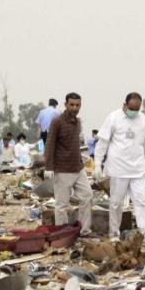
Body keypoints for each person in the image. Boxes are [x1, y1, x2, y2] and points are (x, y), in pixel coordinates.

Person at [95, 92, 145, 243]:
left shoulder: (143, 119)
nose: (134, 112)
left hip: (138, 169)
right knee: (116, 203)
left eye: (137, 109)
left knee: (141, 202)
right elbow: (102, 143)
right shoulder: (113, 118)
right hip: (118, 169)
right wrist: (97, 164)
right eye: (131, 108)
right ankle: (114, 234)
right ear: (124, 105)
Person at [45, 92, 93, 232]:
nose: (74, 108)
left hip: (78, 168)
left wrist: (81, 157)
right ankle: (62, 233)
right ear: (65, 104)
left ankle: (84, 230)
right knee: (61, 205)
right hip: (63, 170)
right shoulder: (57, 122)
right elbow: (50, 144)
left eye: (77, 105)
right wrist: (48, 167)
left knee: (87, 196)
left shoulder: (77, 122)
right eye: (71, 105)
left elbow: (74, 144)